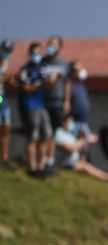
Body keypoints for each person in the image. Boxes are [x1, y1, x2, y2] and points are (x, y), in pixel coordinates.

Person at [19, 42, 53, 177]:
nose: (36, 56)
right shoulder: (25, 70)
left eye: (38, 53)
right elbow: (25, 88)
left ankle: (41, 166)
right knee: (32, 137)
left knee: (46, 135)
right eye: (34, 53)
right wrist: (40, 85)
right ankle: (32, 168)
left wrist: (51, 82)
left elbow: (48, 87)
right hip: (30, 106)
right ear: (29, 54)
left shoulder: (42, 69)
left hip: (41, 106)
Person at [40, 35, 70, 173]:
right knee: (44, 133)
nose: (50, 46)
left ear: (59, 47)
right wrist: (49, 82)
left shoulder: (64, 65)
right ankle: (41, 162)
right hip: (43, 102)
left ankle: (50, 161)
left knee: (53, 133)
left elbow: (67, 84)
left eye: (54, 44)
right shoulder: (42, 62)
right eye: (49, 44)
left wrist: (67, 101)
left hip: (57, 103)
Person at [54, 113, 108, 182]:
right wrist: (86, 140)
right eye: (70, 121)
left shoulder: (68, 133)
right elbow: (71, 149)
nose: (72, 124)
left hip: (72, 161)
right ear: (64, 122)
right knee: (86, 167)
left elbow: (76, 145)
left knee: (87, 165)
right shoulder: (59, 133)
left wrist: (86, 141)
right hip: (65, 163)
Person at [68, 61, 92, 139]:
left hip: (83, 122)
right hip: (73, 122)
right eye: (79, 70)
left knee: (86, 142)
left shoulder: (81, 85)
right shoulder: (68, 85)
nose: (81, 71)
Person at [0, 39, 14, 169]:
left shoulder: (6, 63)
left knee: (6, 127)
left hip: (3, 98)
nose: (6, 53)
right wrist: (8, 77)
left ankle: (4, 158)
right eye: (5, 49)